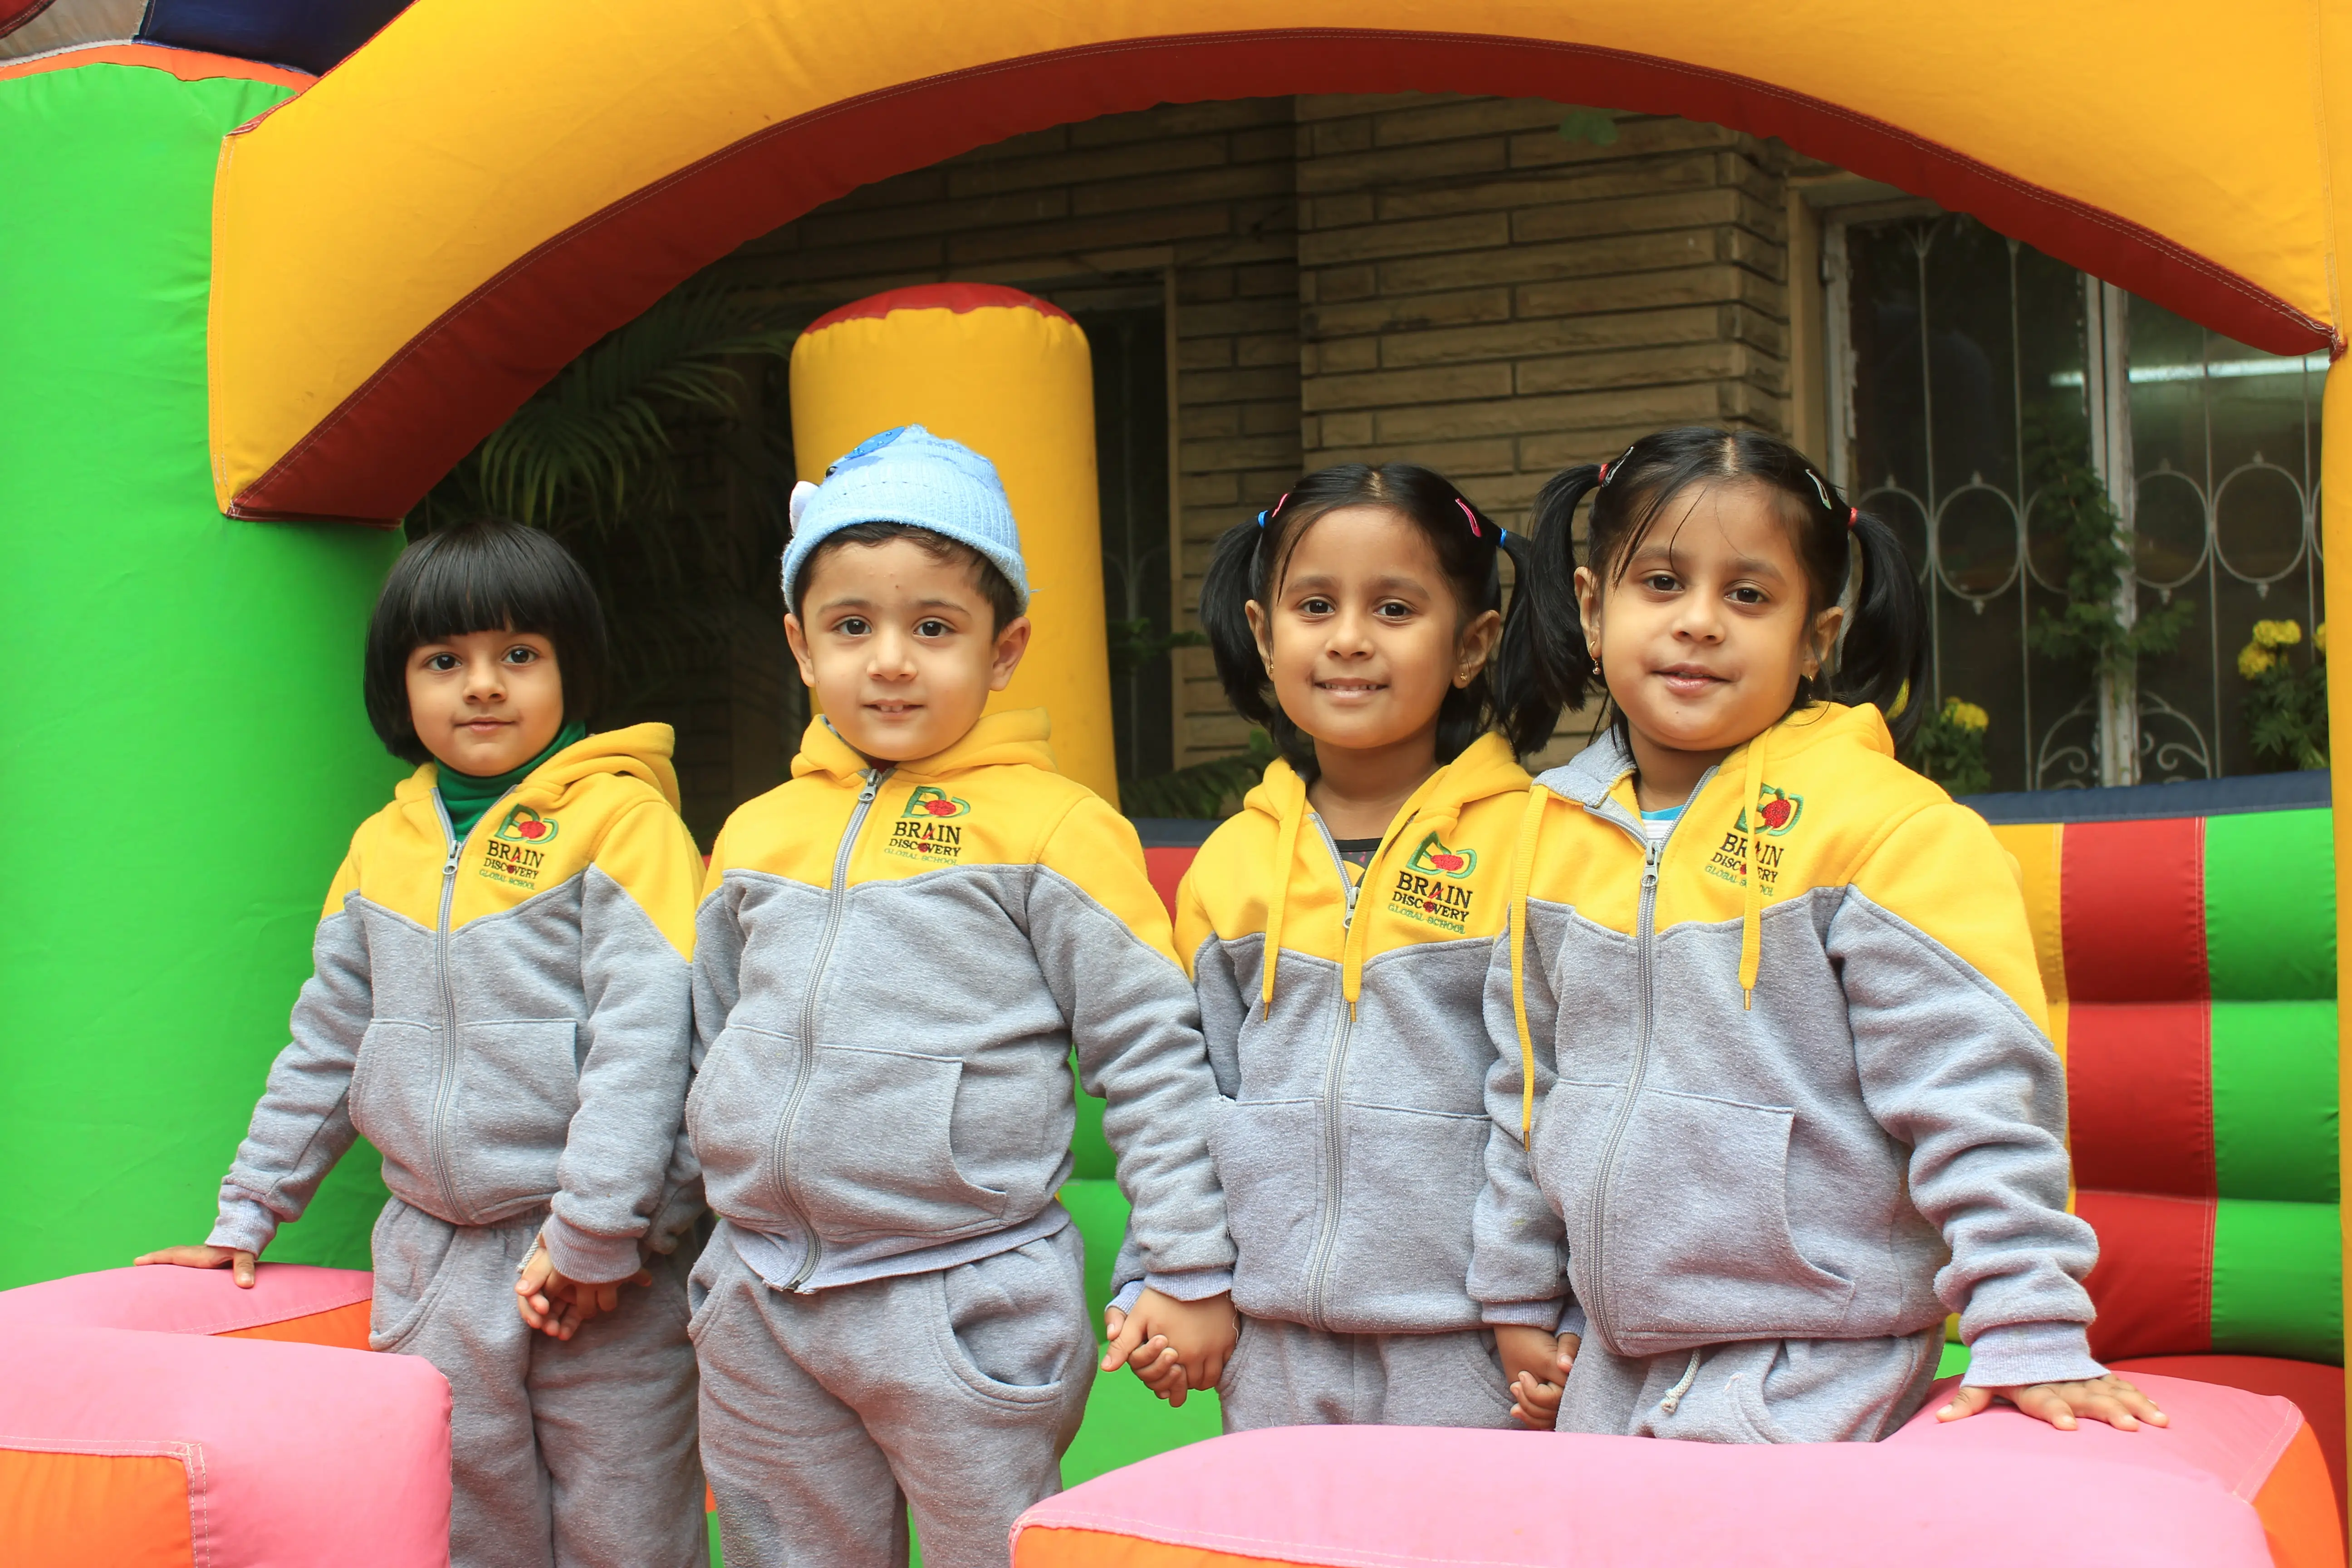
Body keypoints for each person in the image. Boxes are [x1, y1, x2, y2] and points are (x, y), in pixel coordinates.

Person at [1473, 426, 2165, 1441]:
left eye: (1749, 596)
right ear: (1590, 606)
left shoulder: (1888, 830)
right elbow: (1525, 1090)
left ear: (1816, 636)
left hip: (1818, 1364)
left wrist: (2030, 1321)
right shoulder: (1548, 833)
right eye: (1661, 584)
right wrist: (1525, 1299)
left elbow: (1975, 1089)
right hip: (1610, 1368)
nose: (1699, 622)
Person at [687, 425, 1233, 1568]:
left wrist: (1180, 1265)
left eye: (933, 627)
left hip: (959, 1296)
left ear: (1004, 647)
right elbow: (707, 1040)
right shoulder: (753, 836)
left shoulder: (1053, 829)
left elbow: (1146, 1052)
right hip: (761, 1297)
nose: (890, 660)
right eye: (852, 627)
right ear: (800, 644)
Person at [138, 519, 707, 1566]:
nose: (482, 686)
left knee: (624, 1527)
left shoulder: (623, 825)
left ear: (571, 670)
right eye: (445, 661)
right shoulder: (380, 847)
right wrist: (248, 1212)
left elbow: (650, 1042)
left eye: (518, 656)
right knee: (465, 1522)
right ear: (399, 686)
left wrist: (594, 1236)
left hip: (595, 1266)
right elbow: (326, 1043)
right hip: (432, 1259)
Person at [1103, 462, 1573, 1430]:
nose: (1350, 638)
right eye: (1315, 605)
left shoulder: (1537, 847)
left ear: (1473, 643)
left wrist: (1537, 1301)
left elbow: (1548, 1095)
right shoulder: (1230, 867)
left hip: (1472, 1343)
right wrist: (1164, 1274)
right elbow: (1182, 1089)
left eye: (1395, 608)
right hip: (1271, 1341)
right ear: (1266, 636)